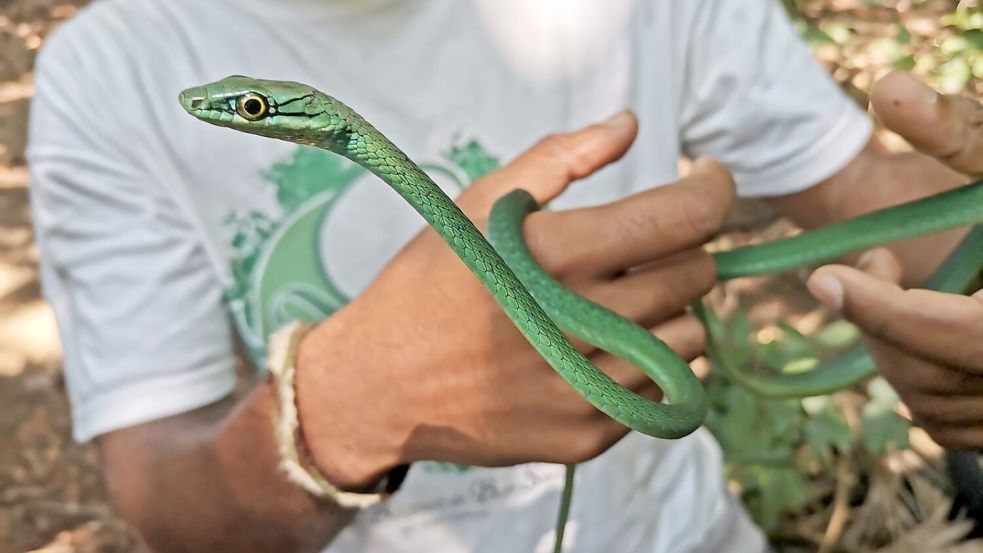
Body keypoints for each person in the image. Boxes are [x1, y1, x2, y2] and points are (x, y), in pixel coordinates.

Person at [26, 0, 980, 551]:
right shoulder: (111, 70)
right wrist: (337, 411)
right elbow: (165, 499)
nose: (235, 117)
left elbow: (861, 188)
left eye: (246, 110)